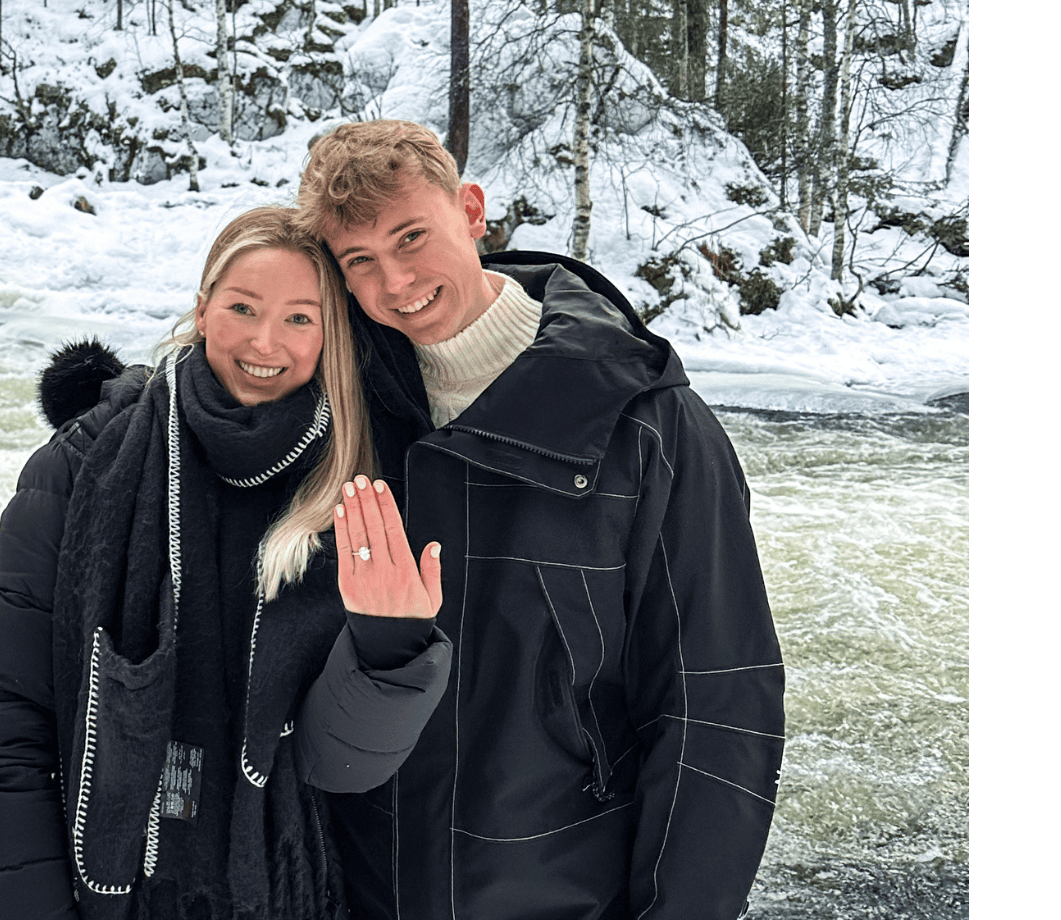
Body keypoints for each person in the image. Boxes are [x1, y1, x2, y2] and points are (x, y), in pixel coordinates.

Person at [291, 119, 786, 919]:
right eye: (361, 262)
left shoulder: (648, 426)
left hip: (566, 896)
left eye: (411, 236)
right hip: (361, 891)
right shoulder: (338, 411)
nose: (396, 281)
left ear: (472, 211)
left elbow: (716, 709)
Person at [0, 207, 455, 920]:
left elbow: (341, 767)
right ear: (202, 309)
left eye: (299, 319)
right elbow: (7, 718)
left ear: (331, 334)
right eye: (243, 308)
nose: (265, 342)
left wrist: (390, 651)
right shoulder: (80, 466)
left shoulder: (360, 490)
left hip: (294, 894)